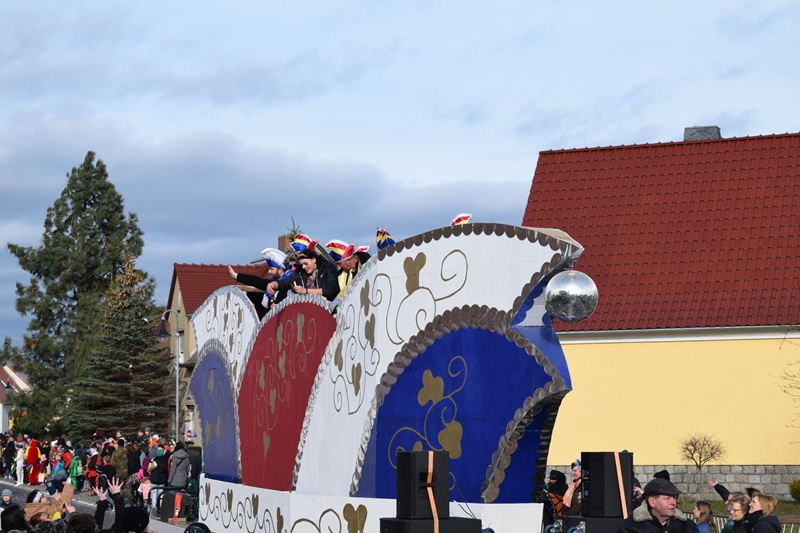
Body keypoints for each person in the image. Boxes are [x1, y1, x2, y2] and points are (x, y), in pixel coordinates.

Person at [618, 478, 699, 533]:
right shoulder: (631, 527)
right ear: (652, 502)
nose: (673, 502)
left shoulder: (688, 527)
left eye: (674, 498)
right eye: (667, 498)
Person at [267, 248, 339, 303]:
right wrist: (274, 284)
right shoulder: (301, 273)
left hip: (327, 307)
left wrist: (306, 291)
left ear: (313, 259)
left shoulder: (328, 268)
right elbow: (286, 282)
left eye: (306, 263)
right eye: (302, 265)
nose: (304, 267)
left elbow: (331, 290)